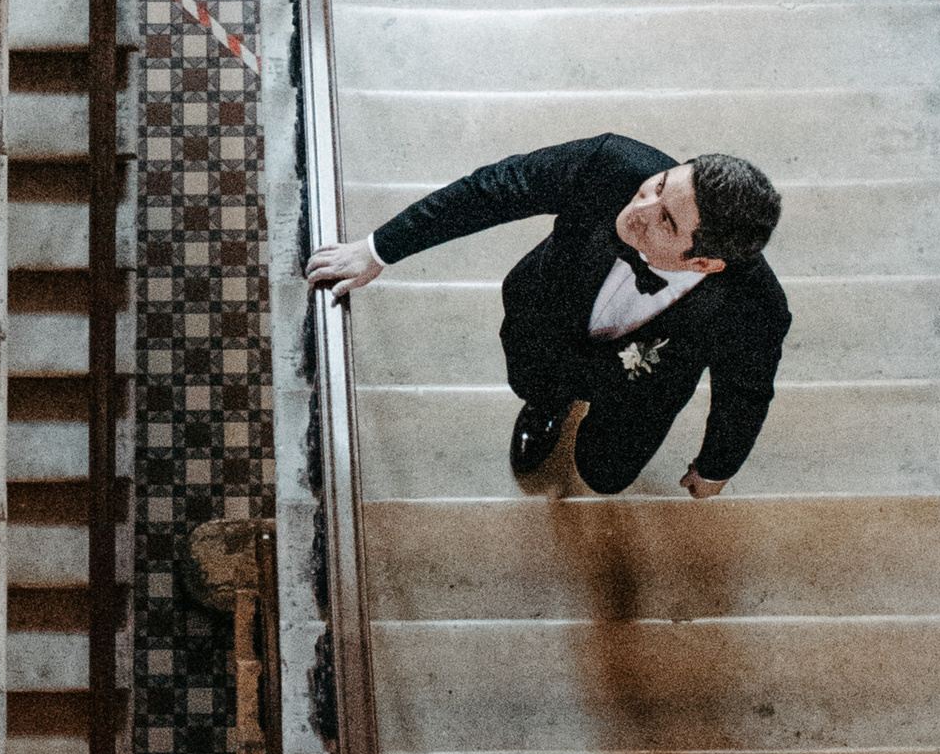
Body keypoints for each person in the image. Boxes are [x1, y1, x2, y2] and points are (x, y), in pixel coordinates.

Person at [306, 134, 788, 498]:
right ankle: (547, 406)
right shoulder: (610, 163)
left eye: (666, 220)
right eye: (659, 187)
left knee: (606, 475)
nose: (639, 208)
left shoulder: (754, 309)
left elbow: (744, 392)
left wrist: (716, 466)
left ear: (704, 263)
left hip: (642, 393)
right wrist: (379, 251)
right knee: (532, 380)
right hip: (548, 317)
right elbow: (491, 191)